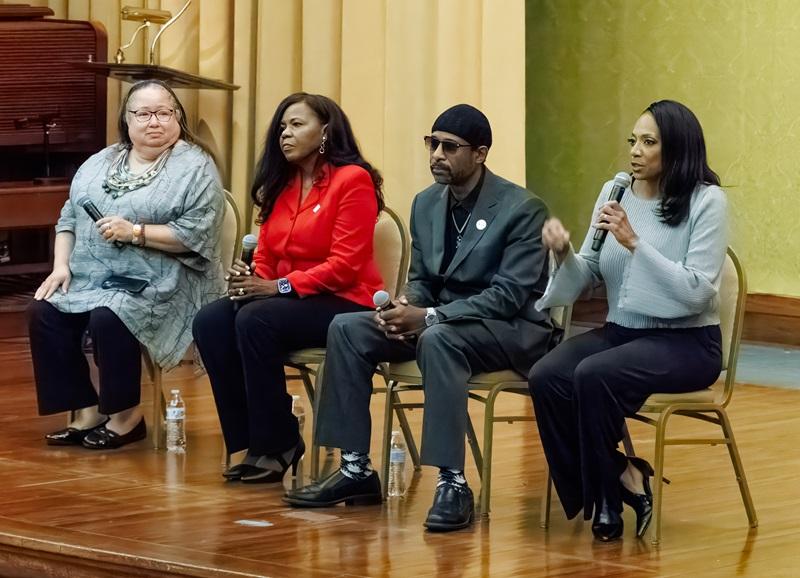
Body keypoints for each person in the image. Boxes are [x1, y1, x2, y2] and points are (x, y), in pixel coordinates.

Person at [284, 104, 553, 532]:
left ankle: (453, 482)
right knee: (349, 327)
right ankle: (356, 470)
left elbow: (508, 296)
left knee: (438, 339)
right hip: (442, 321)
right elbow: (423, 278)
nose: (436, 155)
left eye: (450, 147)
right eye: (432, 143)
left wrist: (428, 316)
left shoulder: (522, 209)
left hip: (508, 329)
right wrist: (403, 308)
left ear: (480, 153)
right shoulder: (426, 203)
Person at [528, 100, 727, 542]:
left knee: (594, 374)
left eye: (649, 142)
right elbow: (591, 275)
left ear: (676, 150)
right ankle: (622, 473)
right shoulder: (615, 190)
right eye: (633, 141)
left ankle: (605, 500)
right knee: (546, 376)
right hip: (623, 332)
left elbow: (697, 289)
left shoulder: (706, 201)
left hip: (687, 342)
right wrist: (563, 253)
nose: (635, 151)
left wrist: (635, 242)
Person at [192, 93, 384, 484]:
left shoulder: (353, 180)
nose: (286, 133)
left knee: (257, 318)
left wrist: (276, 286)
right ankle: (251, 440)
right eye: (282, 126)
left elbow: (344, 267)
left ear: (325, 130)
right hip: (289, 298)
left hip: (345, 302)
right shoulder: (284, 183)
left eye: (297, 124)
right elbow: (266, 252)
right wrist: (251, 280)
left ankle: (278, 442)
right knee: (211, 320)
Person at [28, 79, 226, 449]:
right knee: (44, 310)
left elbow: (197, 234)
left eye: (165, 112)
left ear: (178, 117)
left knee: (111, 312)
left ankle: (126, 417)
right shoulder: (101, 161)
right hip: (93, 273)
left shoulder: (196, 167)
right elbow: (68, 218)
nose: (155, 122)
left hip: (165, 277)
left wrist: (134, 231)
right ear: (127, 119)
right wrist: (60, 267)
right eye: (144, 113)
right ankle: (86, 411)